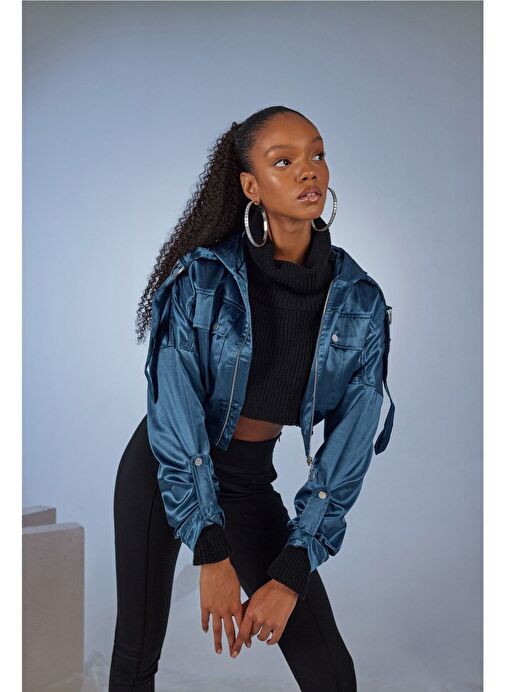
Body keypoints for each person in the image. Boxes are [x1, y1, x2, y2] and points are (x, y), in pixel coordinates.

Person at [109, 105, 395, 692]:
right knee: (136, 658)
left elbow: (348, 452)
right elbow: (174, 412)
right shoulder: (202, 279)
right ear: (250, 187)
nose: (308, 171)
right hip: (164, 471)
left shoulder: (359, 301)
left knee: (331, 675)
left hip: (246, 483)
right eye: (283, 161)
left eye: (317, 154)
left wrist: (290, 571)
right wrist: (210, 549)